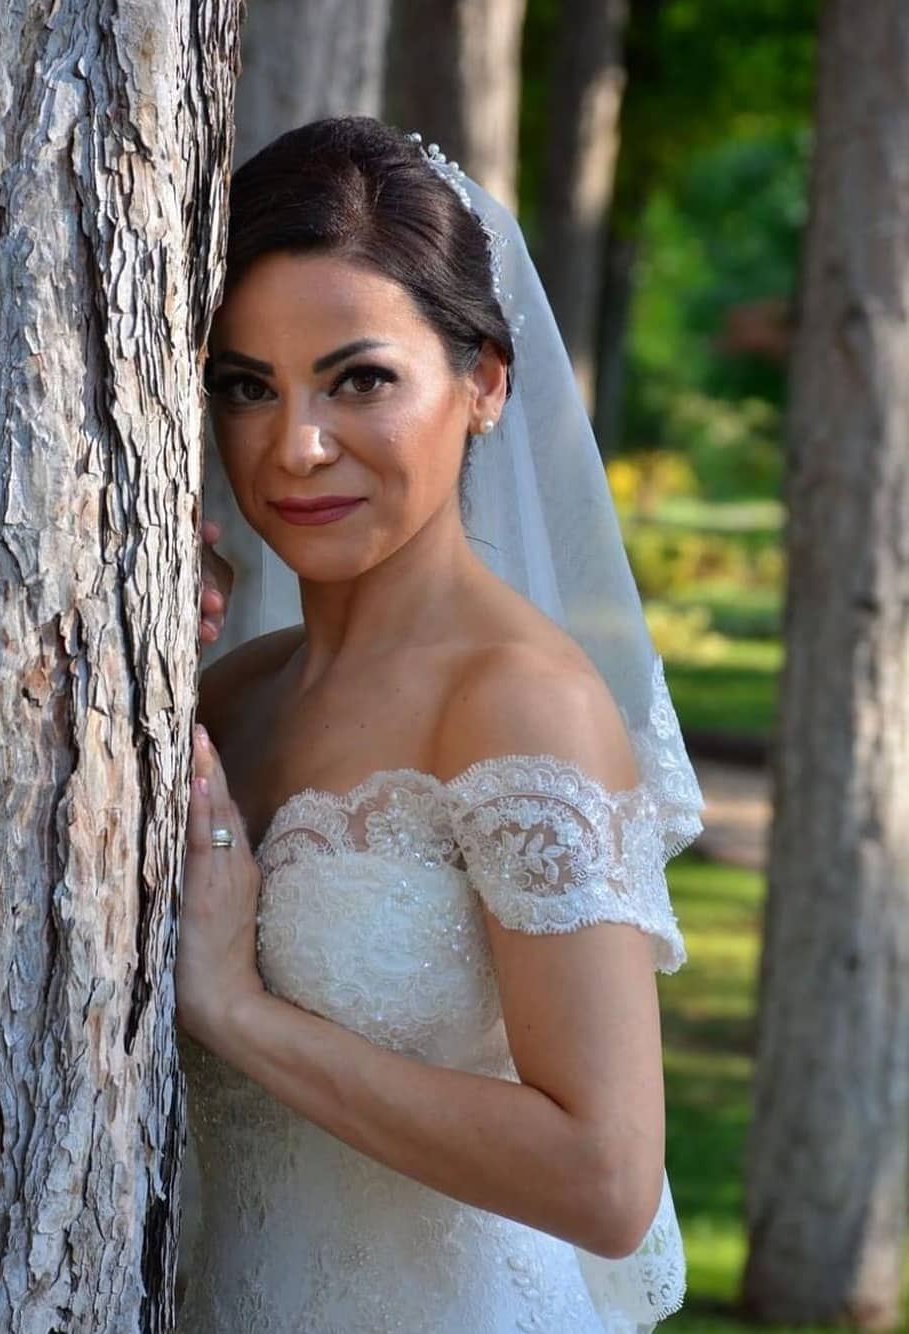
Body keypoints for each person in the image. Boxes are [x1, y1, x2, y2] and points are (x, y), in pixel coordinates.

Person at [174, 115, 705, 1332]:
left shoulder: (518, 703)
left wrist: (240, 1015)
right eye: (246, 386)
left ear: (483, 382)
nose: (295, 446)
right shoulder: (229, 694)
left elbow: (607, 1177)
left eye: (359, 377)